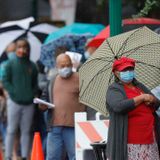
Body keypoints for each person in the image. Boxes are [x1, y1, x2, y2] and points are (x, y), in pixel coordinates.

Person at [106, 57, 160, 160]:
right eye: (124, 70)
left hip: (149, 137)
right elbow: (118, 106)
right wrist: (141, 97)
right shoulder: (114, 89)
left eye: (130, 69)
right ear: (116, 73)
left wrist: (152, 99)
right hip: (130, 141)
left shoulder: (139, 86)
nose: (128, 72)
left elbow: (157, 103)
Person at [39, 53, 86, 160]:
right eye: (62, 66)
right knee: (52, 156)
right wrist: (42, 105)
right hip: (55, 126)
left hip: (73, 126)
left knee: (75, 156)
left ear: (72, 64)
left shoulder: (80, 78)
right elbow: (45, 97)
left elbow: (89, 100)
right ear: (57, 66)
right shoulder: (52, 80)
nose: (66, 68)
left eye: (68, 65)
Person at [2, 38, 38, 160]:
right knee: (11, 129)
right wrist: (13, 92)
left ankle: (24, 156)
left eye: (25, 48)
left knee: (26, 131)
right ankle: (8, 156)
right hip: (13, 102)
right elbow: (5, 81)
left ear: (28, 50)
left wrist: (32, 94)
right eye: (20, 47)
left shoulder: (32, 66)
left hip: (28, 104)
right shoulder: (10, 64)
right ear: (16, 49)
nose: (22, 50)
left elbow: (35, 84)